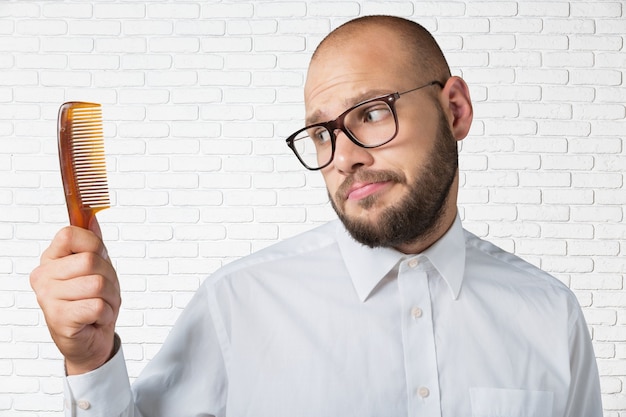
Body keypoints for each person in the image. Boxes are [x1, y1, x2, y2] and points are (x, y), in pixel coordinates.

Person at [30, 15, 602, 417]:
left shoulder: (550, 315)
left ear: (454, 109)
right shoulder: (239, 304)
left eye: (373, 113)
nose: (345, 155)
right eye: (323, 132)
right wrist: (91, 361)